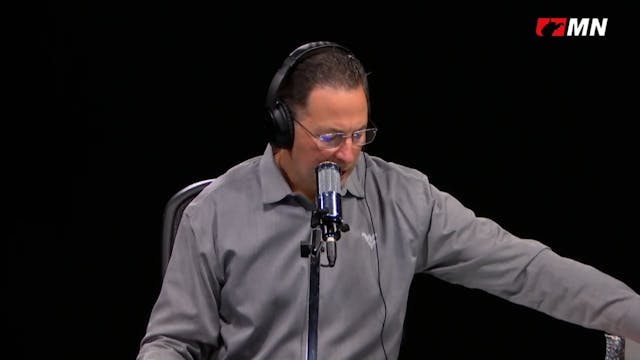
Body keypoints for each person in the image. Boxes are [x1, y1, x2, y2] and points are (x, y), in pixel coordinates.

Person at [137, 41, 640, 359]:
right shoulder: (215, 211)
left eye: (361, 134)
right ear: (284, 125)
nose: (350, 152)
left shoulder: (403, 197)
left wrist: (631, 313)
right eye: (332, 136)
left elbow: (525, 269)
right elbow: (173, 341)